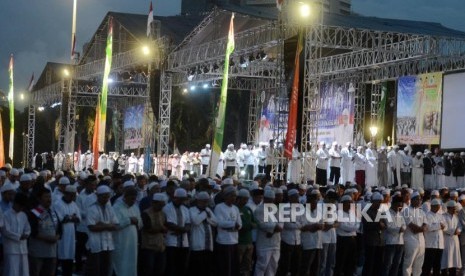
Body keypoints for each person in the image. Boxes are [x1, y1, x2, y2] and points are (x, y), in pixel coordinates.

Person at [85, 185, 119, 276]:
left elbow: (116, 225)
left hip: (108, 245)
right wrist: (108, 226)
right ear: (98, 196)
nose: (106, 199)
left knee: (105, 270)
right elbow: (91, 227)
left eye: (108, 196)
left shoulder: (110, 208)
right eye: (104, 196)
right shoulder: (92, 209)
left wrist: (102, 225)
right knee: (94, 270)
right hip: (96, 245)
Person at [28, 188, 61, 276]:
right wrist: (48, 238)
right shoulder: (34, 213)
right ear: (39, 199)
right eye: (46, 197)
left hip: (52, 252)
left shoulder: (53, 212)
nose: (49, 199)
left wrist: (56, 237)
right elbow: (32, 232)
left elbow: (60, 229)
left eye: (49, 197)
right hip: (38, 253)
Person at [112, 187, 142, 276]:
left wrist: (137, 222)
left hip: (132, 242)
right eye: (131, 198)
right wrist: (129, 220)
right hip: (121, 241)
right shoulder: (116, 207)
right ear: (125, 197)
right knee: (121, 264)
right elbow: (115, 225)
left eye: (135, 199)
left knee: (131, 263)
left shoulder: (135, 207)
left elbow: (140, 223)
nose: (133, 201)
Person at [214, 186, 242, 276]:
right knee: (224, 267)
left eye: (235, 196)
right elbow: (219, 223)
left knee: (234, 267)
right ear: (225, 196)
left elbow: (240, 224)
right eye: (231, 196)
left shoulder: (235, 208)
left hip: (234, 241)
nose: (234, 198)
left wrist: (233, 225)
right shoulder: (219, 207)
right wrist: (233, 225)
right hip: (223, 241)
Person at [163, 188, 191, 276]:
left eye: (184, 200)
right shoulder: (167, 208)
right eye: (181, 199)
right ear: (175, 198)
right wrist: (183, 230)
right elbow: (169, 224)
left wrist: (182, 231)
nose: (182, 202)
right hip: (171, 242)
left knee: (182, 267)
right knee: (171, 267)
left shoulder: (185, 209)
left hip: (184, 243)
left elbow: (188, 224)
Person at [54, 185, 81, 276]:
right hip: (61, 234)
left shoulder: (74, 204)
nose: (73, 197)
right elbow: (61, 219)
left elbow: (78, 219)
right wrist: (71, 217)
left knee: (69, 257)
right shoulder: (58, 204)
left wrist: (69, 218)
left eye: (74, 195)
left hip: (71, 235)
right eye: (72, 195)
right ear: (66, 194)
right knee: (58, 256)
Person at [254, 189, 281, 276]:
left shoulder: (275, 208)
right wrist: (274, 228)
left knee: (273, 266)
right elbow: (262, 224)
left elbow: (281, 222)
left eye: (273, 200)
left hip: (275, 243)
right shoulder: (259, 209)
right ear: (265, 199)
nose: (271, 202)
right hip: (264, 244)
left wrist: (273, 230)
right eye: (270, 200)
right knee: (261, 266)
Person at [189, 191, 217, 276]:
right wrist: (205, 214)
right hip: (197, 245)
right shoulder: (192, 210)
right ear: (198, 201)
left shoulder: (208, 209)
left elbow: (215, 222)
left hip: (208, 246)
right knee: (197, 269)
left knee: (207, 269)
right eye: (204, 201)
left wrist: (207, 219)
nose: (206, 203)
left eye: (207, 201)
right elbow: (196, 221)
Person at [2, 193, 30, 276]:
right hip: (11, 250)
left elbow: (28, 229)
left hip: (23, 249)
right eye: (20, 206)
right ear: (15, 203)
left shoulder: (23, 215)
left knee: (24, 272)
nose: (21, 208)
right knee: (12, 272)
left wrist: (26, 234)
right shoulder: (6, 215)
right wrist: (19, 236)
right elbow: (5, 231)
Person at [140, 193, 167, 276]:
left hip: (160, 246)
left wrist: (163, 229)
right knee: (148, 269)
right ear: (153, 203)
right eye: (159, 205)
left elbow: (165, 226)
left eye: (162, 205)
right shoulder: (146, 213)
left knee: (160, 269)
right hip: (149, 246)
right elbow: (148, 229)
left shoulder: (162, 213)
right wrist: (161, 229)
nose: (161, 207)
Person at [277, 189, 302, 276]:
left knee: (296, 265)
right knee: (285, 265)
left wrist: (296, 224)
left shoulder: (300, 207)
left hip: (297, 241)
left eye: (298, 196)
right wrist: (297, 225)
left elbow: (303, 222)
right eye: (296, 197)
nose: (297, 198)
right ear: (290, 197)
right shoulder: (284, 208)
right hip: (287, 240)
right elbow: (287, 224)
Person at [402, 191, 427, 276]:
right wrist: (421, 229)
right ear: (412, 200)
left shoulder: (422, 212)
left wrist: (421, 229)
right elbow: (413, 228)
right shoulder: (406, 211)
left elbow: (426, 225)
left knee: (419, 265)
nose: (420, 201)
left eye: (420, 199)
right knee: (408, 264)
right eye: (417, 199)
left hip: (421, 241)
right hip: (410, 240)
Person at [299, 190, 323, 276]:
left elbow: (322, 225)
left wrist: (316, 226)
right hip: (308, 244)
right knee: (305, 267)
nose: (315, 205)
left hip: (318, 243)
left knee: (315, 268)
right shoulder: (303, 212)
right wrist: (314, 226)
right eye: (313, 203)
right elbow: (302, 227)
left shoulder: (318, 212)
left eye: (316, 203)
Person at [335, 194, 359, 276]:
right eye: (348, 203)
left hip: (352, 239)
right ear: (343, 203)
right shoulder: (338, 213)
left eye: (351, 203)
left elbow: (357, 224)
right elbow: (342, 226)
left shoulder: (352, 213)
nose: (350, 204)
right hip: (342, 240)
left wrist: (352, 228)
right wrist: (353, 228)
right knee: (341, 261)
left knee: (351, 261)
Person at [362, 192, 386, 276]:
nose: (379, 204)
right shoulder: (366, 211)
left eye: (380, 202)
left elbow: (385, 224)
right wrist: (378, 224)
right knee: (370, 263)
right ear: (373, 202)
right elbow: (367, 225)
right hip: (371, 241)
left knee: (378, 263)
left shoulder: (381, 212)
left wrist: (382, 225)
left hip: (380, 241)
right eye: (378, 202)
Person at [383, 194, 406, 276]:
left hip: (400, 242)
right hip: (391, 242)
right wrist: (399, 229)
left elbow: (404, 224)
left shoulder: (400, 214)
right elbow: (389, 227)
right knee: (388, 264)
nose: (400, 208)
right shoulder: (387, 213)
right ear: (393, 204)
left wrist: (401, 228)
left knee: (397, 264)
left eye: (401, 206)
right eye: (398, 206)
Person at [422, 198, 445, 276]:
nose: (438, 208)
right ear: (432, 206)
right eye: (437, 206)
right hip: (430, 245)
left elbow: (445, 226)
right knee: (428, 265)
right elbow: (429, 228)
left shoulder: (440, 215)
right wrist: (439, 226)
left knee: (437, 266)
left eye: (439, 206)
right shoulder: (427, 215)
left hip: (440, 245)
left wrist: (438, 226)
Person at [236, 189, 256, 276]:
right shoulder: (235, 209)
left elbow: (255, 222)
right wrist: (249, 225)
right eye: (244, 199)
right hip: (240, 242)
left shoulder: (248, 209)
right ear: (239, 198)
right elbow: (240, 225)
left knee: (247, 265)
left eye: (247, 199)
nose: (245, 201)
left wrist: (250, 225)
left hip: (249, 241)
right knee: (237, 264)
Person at [441, 200, 462, 274]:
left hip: (455, 240)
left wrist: (458, 230)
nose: (455, 210)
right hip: (446, 240)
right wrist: (454, 231)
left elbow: (459, 226)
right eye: (453, 208)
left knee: (454, 260)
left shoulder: (456, 217)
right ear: (449, 208)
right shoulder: (443, 216)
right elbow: (444, 228)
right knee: (445, 260)